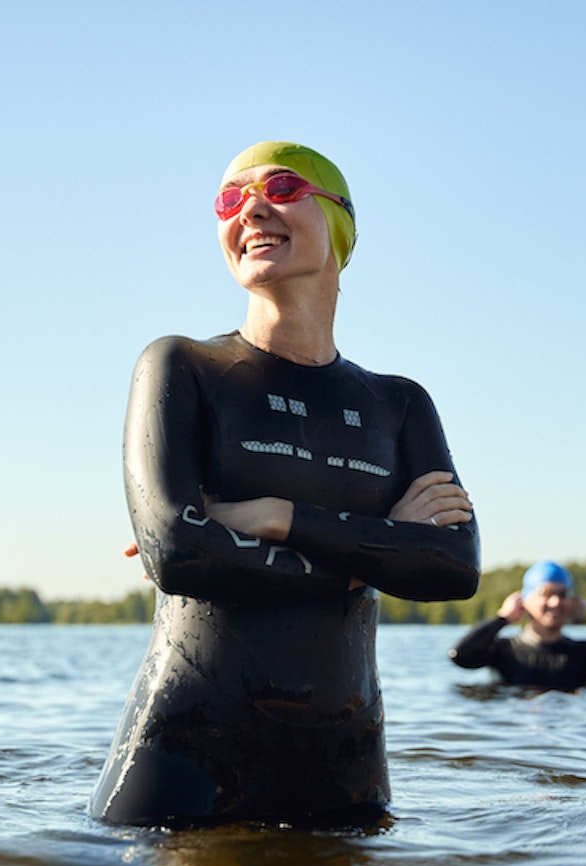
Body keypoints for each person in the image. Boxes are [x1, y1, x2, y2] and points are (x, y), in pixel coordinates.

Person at [90, 141, 481, 828]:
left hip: (344, 768)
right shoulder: (183, 366)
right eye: (229, 199)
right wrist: (371, 561)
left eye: (281, 186)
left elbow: (451, 569)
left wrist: (274, 516)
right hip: (181, 756)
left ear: (339, 224)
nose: (251, 209)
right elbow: (178, 554)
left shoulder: (400, 404)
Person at [447, 560, 586, 691]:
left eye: (562, 595)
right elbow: (460, 656)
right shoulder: (503, 650)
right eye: (545, 594)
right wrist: (503, 618)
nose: (555, 603)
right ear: (524, 600)